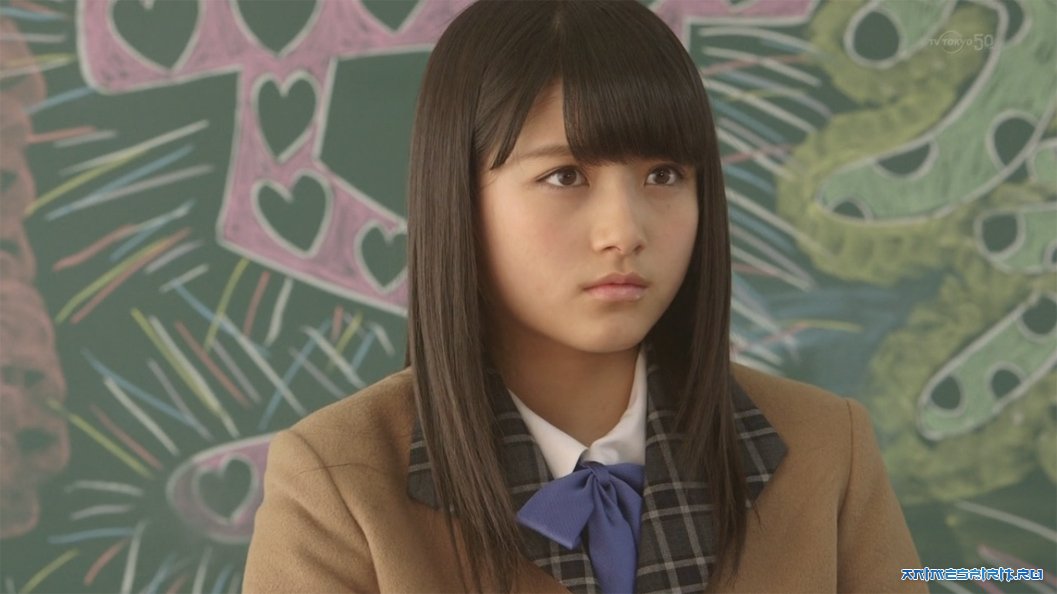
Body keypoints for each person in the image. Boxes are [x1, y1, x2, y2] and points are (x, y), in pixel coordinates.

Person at [242, 1, 925, 592]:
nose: (624, 232)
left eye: (664, 174)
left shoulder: (823, 447)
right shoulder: (341, 480)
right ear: (458, 197)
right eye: (565, 176)